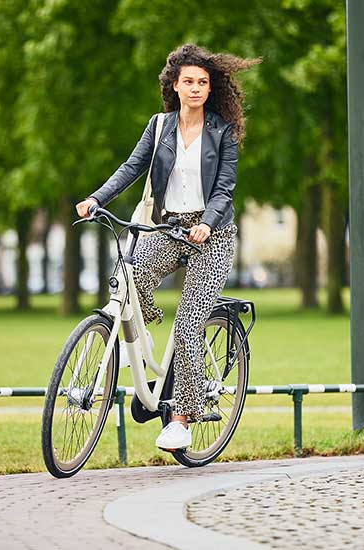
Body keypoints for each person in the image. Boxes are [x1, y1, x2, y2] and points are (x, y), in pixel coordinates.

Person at [76, 43, 260, 451]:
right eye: (189, 82)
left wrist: (208, 225)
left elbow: (225, 190)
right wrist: (96, 199)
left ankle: (181, 419)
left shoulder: (222, 131)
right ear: (174, 85)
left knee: (190, 322)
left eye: (203, 83)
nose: (196, 88)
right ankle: (153, 359)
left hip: (211, 235)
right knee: (128, 276)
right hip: (169, 227)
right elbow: (130, 167)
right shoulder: (159, 126)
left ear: (211, 89)